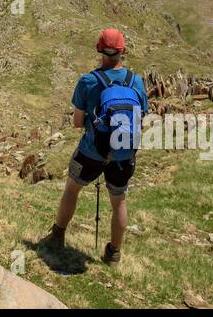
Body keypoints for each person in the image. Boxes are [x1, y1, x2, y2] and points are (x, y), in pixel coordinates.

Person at [41, 27, 148, 263]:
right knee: (118, 200)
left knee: (72, 188)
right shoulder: (136, 82)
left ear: (99, 49)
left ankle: (57, 235)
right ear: (123, 51)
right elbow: (141, 117)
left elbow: (78, 123)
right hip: (124, 153)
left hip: (92, 150)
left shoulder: (88, 81)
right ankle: (114, 253)